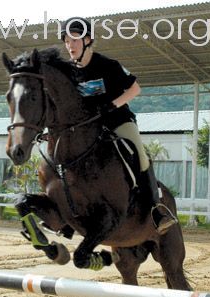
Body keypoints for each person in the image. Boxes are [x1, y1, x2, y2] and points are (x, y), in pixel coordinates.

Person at [60, 17, 177, 234]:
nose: (70, 45)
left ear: (87, 40)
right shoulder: (69, 72)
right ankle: (67, 213)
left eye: (74, 40)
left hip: (118, 121)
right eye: (66, 41)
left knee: (140, 155)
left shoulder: (108, 65)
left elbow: (135, 90)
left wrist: (111, 105)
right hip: (88, 128)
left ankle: (157, 209)